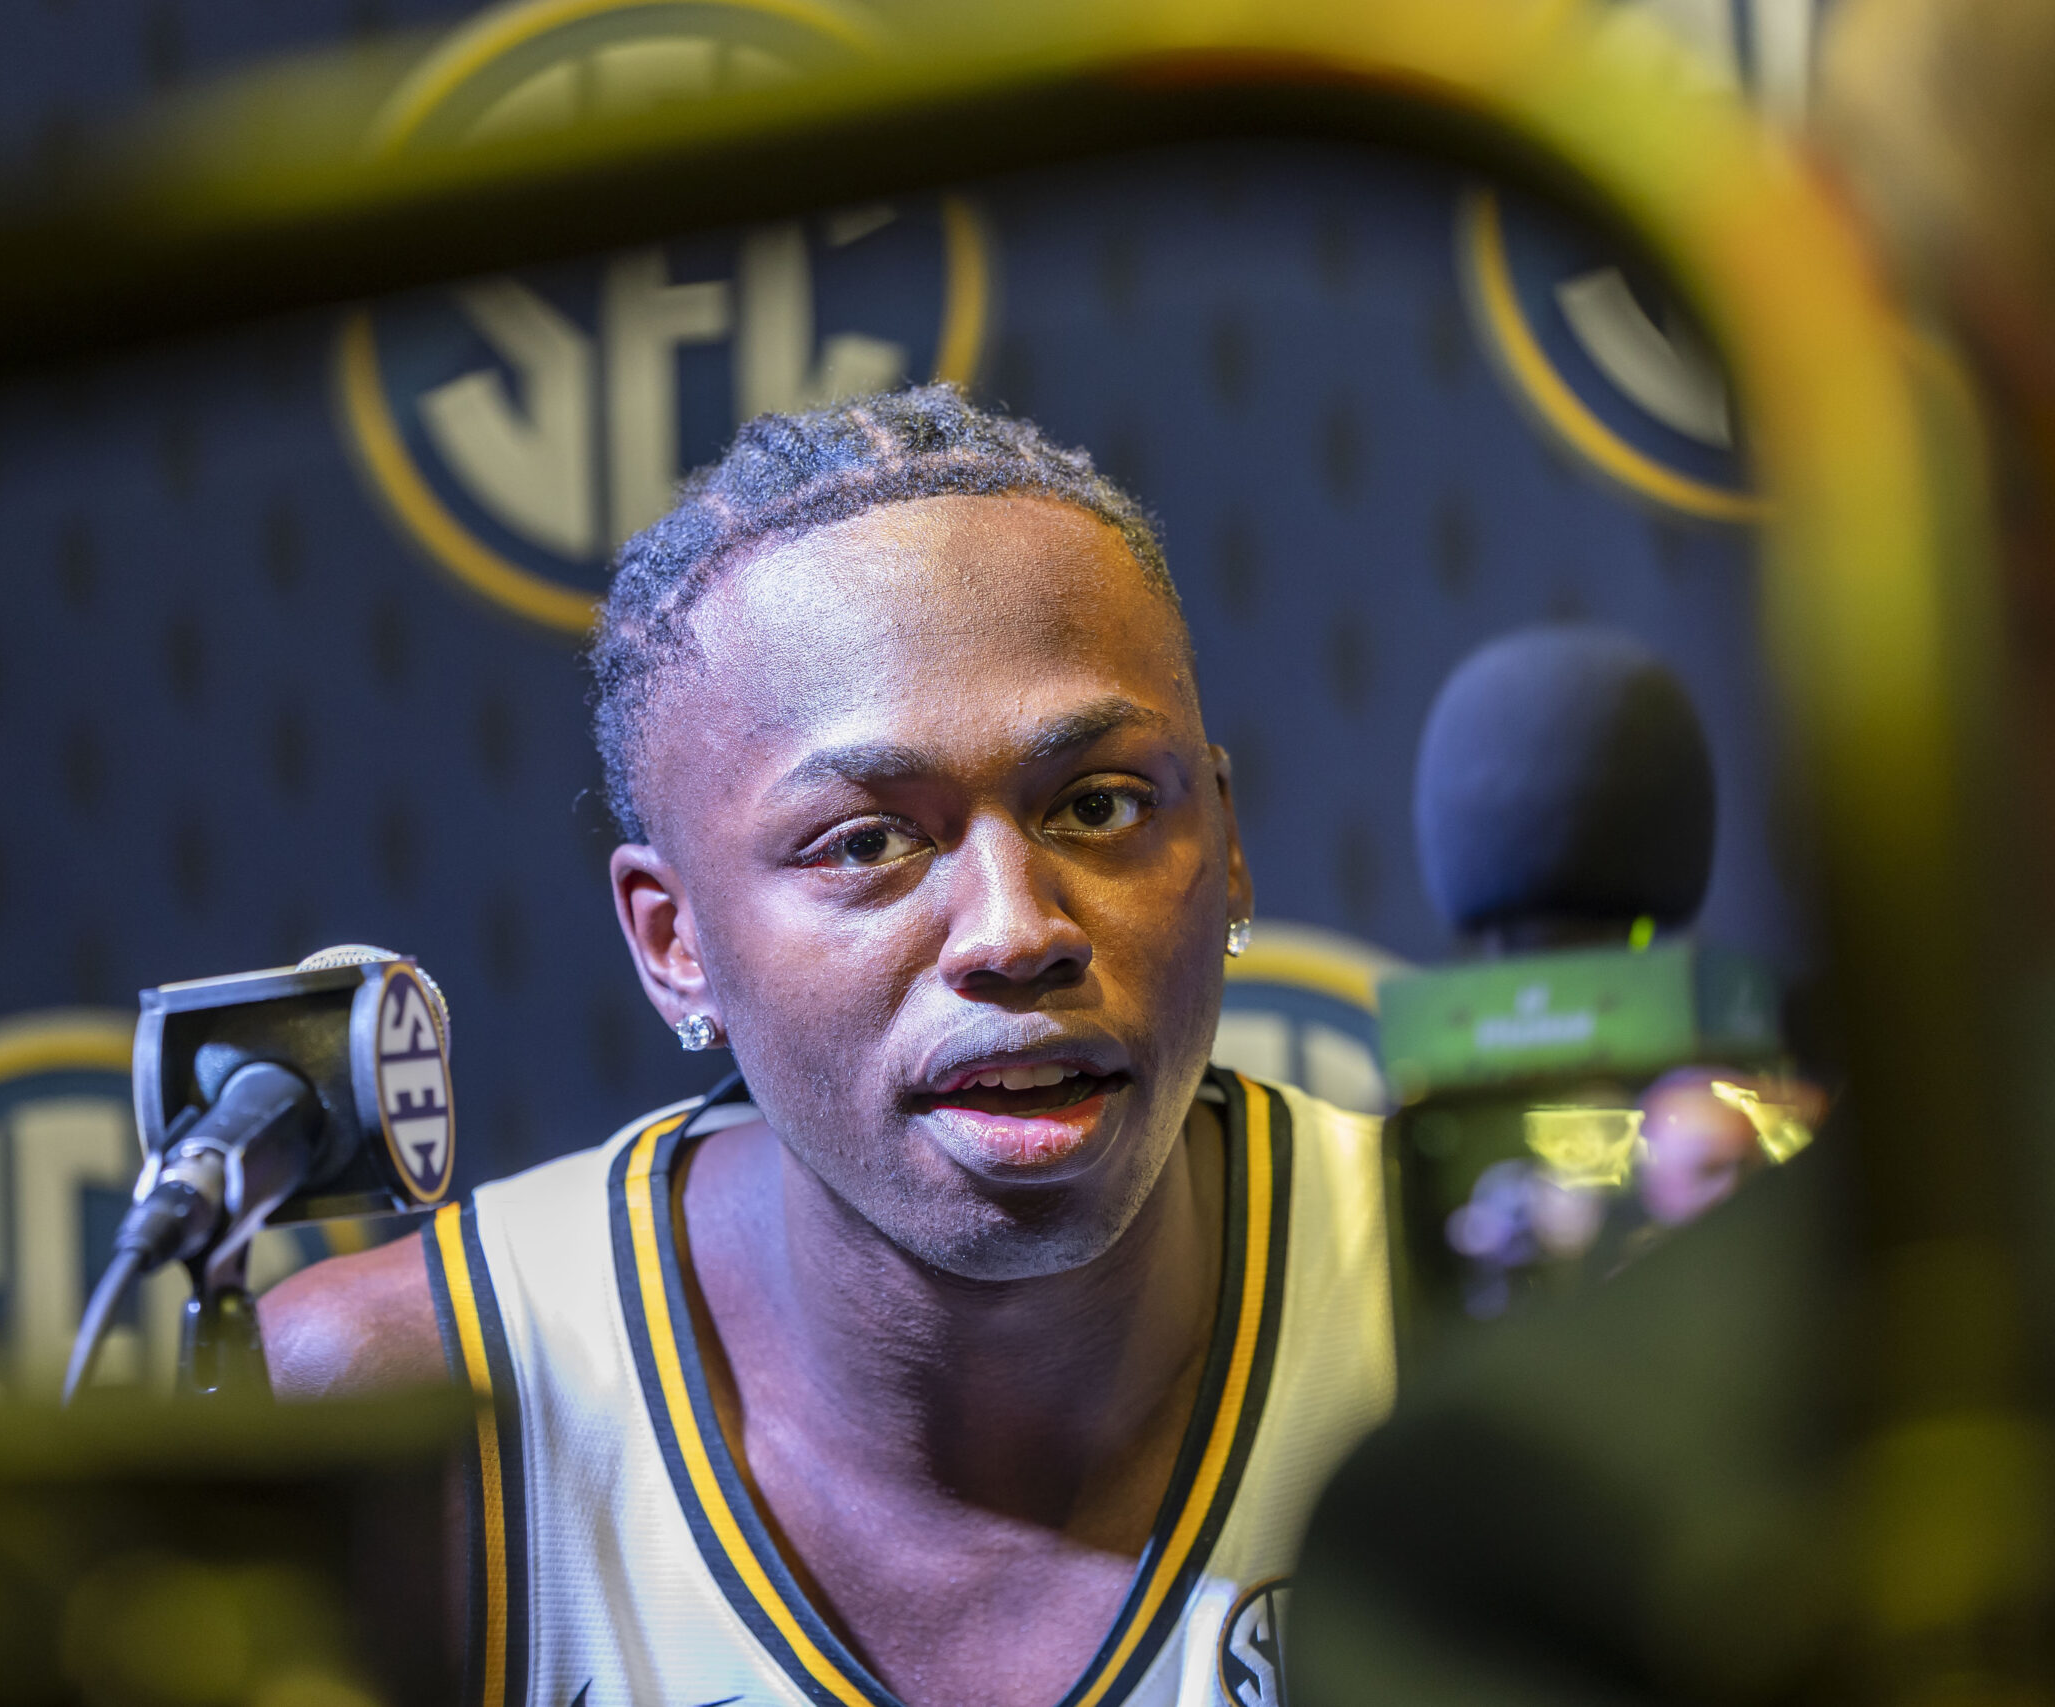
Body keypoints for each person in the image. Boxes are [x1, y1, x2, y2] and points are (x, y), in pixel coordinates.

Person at [262, 386, 1396, 1707]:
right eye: (869, 841)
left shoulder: (1495, 1284)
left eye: (1098, 804)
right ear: (673, 939)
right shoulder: (406, 1408)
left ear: (1231, 843)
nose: (1016, 931)